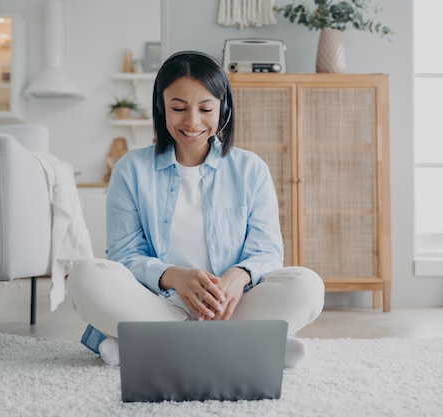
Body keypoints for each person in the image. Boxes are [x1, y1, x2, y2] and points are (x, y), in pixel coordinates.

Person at [67, 51, 325, 368]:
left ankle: (146, 346)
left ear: (223, 109)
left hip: (232, 306)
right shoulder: (130, 169)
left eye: (205, 109)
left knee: (307, 285)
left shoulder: (250, 169)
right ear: (162, 107)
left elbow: (268, 251)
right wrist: (175, 277)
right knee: (85, 276)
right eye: (178, 108)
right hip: (158, 303)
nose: (192, 122)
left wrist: (238, 276)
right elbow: (124, 255)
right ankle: (244, 345)